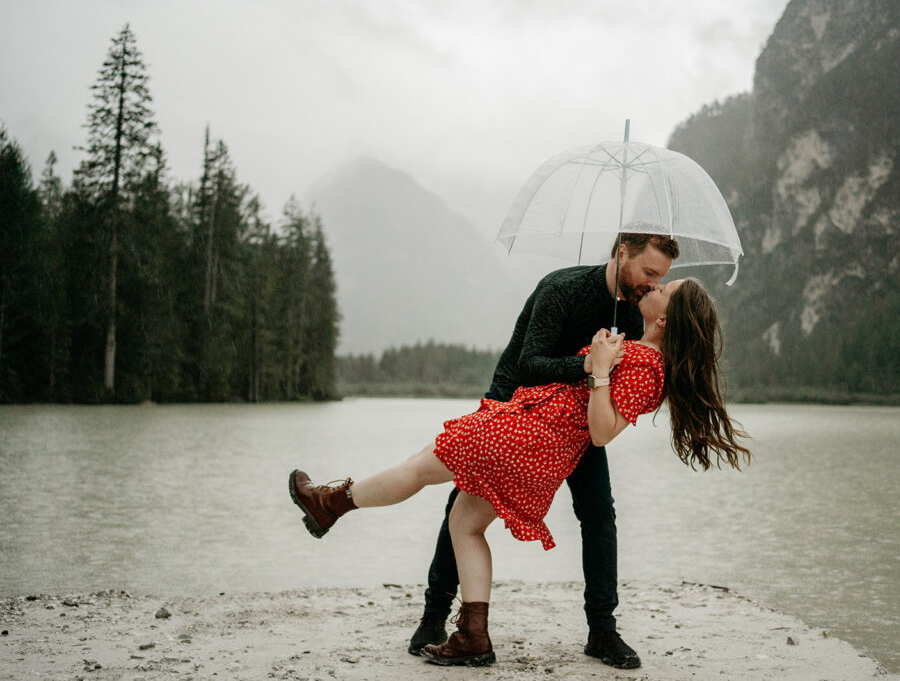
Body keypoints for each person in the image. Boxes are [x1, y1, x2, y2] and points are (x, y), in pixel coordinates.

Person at [289, 277, 751, 668]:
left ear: (665, 319)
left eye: (663, 288)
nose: (653, 285)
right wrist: (602, 355)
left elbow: (601, 433)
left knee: (417, 468)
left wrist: (602, 370)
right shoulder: (639, 352)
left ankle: (331, 503)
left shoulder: (648, 368)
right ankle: (473, 635)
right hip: (534, 444)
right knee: (465, 525)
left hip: (524, 436)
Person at [417, 232, 677, 669]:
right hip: (513, 402)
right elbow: (529, 365)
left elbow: (617, 391)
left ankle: (602, 631)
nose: (652, 286)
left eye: (660, 280)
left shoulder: (634, 316)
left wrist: (602, 381)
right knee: (460, 505)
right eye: (649, 273)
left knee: (598, 512)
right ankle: (433, 618)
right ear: (621, 253)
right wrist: (590, 364)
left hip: (574, 420)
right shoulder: (562, 288)